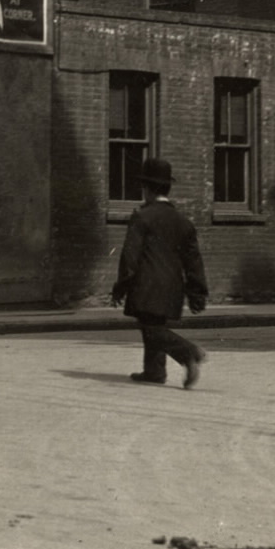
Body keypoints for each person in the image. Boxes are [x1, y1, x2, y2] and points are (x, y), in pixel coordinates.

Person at [110, 157, 210, 388]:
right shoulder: (183, 222)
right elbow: (193, 260)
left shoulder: (142, 217)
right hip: (173, 286)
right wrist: (197, 292)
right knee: (154, 325)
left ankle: (189, 353)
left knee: (151, 328)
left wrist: (121, 286)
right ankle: (154, 372)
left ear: (149, 188)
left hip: (146, 285)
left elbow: (130, 257)